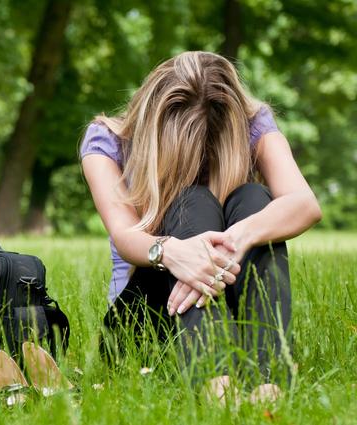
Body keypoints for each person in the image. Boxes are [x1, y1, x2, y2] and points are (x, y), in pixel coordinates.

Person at [80, 51, 322, 403]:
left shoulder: (254, 125)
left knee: (256, 199)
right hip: (148, 320)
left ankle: (267, 379)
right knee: (191, 201)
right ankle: (215, 380)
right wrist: (173, 251)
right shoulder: (106, 140)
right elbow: (125, 235)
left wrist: (240, 237)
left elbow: (305, 204)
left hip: (233, 312)